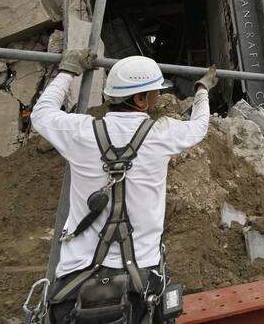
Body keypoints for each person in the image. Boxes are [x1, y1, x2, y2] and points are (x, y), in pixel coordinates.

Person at [31, 49, 217, 323]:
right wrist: (202, 90)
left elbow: (42, 114)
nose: (158, 97)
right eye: (154, 92)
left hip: (75, 279)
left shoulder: (79, 132)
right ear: (140, 99)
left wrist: (68, 71)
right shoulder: (162, 134)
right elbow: (200, 125)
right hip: (140, 281)